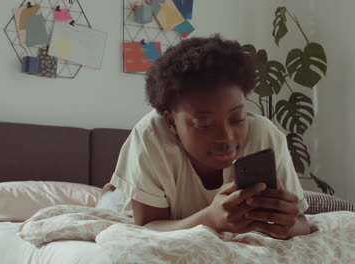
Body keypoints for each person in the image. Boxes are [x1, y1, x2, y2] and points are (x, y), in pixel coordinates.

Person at [110, 34, 311, 239]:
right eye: (204, 124)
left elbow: (303, 224)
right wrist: (210, 220)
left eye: (238, 118)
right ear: (172, 123)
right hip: (130, 200)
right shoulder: (150, 137)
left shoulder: (265, 136)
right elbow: (148, 227)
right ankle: (109, 190)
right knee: (111, 201)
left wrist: (289, 224)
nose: (227, 137)